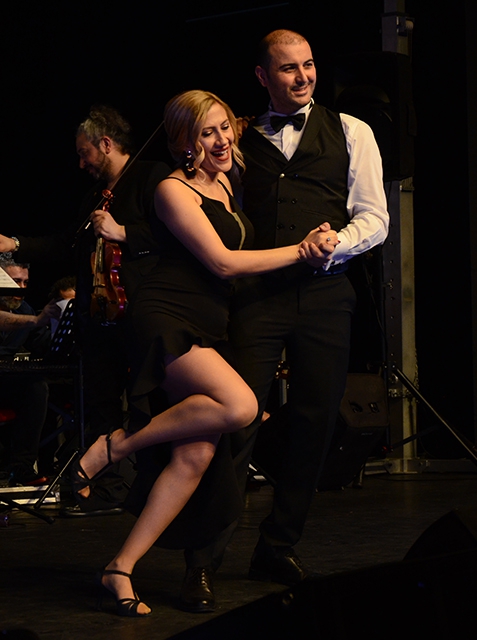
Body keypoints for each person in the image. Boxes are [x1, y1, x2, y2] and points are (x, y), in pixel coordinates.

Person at [71, 89, 335, 617]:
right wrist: (302, 251)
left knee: (195, 455)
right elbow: (223, 264)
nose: (220, 139)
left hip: (208, 325)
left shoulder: (228, 181)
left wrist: (316, 231)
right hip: (167, 318)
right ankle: (114, 447)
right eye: (205, 132)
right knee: (240, 406)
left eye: (223, 127)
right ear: (184, 143)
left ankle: (119, 567)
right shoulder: (173, 190)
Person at [180, 29, 390, 611]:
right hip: (256, 298)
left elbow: (375, 217)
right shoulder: (239, 138)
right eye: (289, 68)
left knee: (315, 424)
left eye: (309, 65)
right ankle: (203, 560)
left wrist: (336, 242)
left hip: (326, 296)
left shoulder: (352, 131)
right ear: (262, 76)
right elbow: (201, 198)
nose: (303, 77)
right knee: (236, 422)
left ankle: (278, 545)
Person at [0, 105, 171, 515]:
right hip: (100, 318)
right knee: (101, 405)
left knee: (147, 404)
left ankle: (154, 485)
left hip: (143, 312)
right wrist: (15, 244)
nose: (81, 163)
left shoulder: (153, 178)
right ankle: (109, 488)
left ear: (106, 143)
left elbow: (174, 233)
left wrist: (122, 232)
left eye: (85, 153)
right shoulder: (94, 198)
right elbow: (66, 244)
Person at [0, 257, 61, 486]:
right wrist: (36, 320)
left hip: (5, 380)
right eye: (15, 282)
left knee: (37, 387)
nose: (21, 289)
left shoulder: (23, 308)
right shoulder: (26, 315)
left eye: (25, 283)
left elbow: (43, 344)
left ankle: (22, 467)